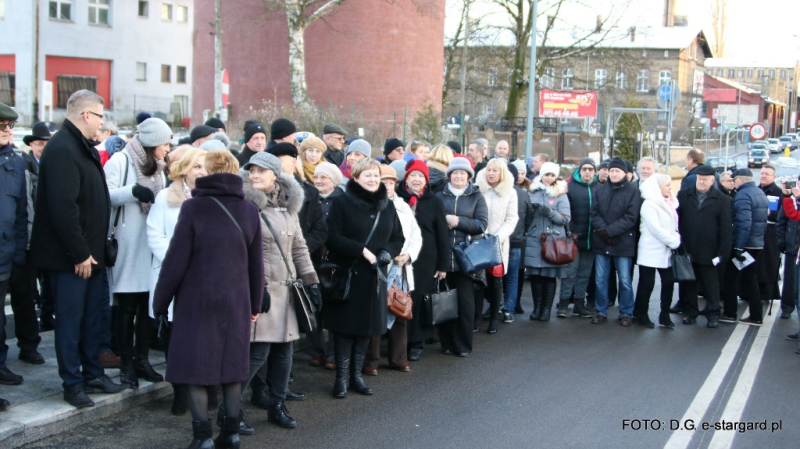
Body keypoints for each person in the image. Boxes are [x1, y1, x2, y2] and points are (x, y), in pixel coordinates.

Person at [153, 150, 264, 448]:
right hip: (237, 300)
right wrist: (255, 304)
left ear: (209, 172)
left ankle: (202, 437)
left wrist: (160, 303)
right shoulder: (249, 210)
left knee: (195, 368)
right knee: (232, 368)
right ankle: (231, 433)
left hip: (197, 301)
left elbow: (175, 262)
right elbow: (257, 265)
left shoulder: (194, 208)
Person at [30, 90, 125, 408]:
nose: (102, 122)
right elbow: (62, 208)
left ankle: (92, 373)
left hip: (91, 256)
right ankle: (72, 382)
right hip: (72, 258)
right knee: (70, 322)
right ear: (86, 115)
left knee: (91, 319)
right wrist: (80, 253)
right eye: (100, 116)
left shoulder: (79, 145)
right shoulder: (62, 148)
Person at [236, 152, 320, 430]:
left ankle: (277, 405)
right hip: (260, 292)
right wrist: (255, 288)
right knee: (257, 354)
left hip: (288, 292)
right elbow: (239, 253)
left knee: (285, 351)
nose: (255, 175)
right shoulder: (244, 205)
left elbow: (299, 247)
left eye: (261, 171)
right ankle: (231, 411)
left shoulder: (288, 205)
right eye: (252, 170)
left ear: (275, 174)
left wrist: (311, 281)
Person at [324, 158, 404, 398]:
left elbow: (397, 238)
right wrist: (361, 250)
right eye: (367, 175)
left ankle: (356, 376)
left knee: (365, 329)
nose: (372, 179)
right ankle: (340, 379)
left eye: (375, 175)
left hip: (374, 277)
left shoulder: (387, 205)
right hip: (349, 274)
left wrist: (386, 253)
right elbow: (332, 236)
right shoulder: (341, 203)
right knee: (344, 329)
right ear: (356, 178)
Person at [104, 118, 171, 389]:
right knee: (126, 307)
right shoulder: (120, 161)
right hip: (127, 245)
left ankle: (143, 360)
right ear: (153, 142)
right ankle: (127, 364)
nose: (168, 148)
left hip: (150, 245)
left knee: (147, 307)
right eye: (165, 142)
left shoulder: (158, 168)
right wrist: (132, 191)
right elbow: (104, 195)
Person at [147, 148, 208, 415]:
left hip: (202, 278)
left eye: (205, 167)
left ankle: (207, 388)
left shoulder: (212, 198)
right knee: (176, 340)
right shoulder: (165, 197)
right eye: (196, 167)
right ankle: (179, 392)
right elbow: (155, 235)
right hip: (172, 275)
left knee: (204, 338)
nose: (202, 172)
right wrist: (178, 262)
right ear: (184, 169)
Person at [364, 165, 422, 374]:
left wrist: (408, 254)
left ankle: (399, 358)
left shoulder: (403, 206)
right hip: (380, 266)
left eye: (391, 182)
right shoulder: (371, 205)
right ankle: (371, 360)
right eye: (384, 181)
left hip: (401, 267)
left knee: (400, 309)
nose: (388, 186)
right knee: (377, 312)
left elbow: (415, 235)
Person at [396, 160, 449, 361]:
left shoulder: (434, 201)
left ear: (426, 180)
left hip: (425, 259)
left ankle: (415, 343)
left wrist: (443, 265)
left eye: (421, 176)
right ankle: (397, 342)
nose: (416, 180)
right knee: (399, 298)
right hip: (399, 257)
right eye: (413, 175)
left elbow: (442, 234)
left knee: (417, 301)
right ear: (406, 177)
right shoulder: (396, 198)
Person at [436, 157, 488, 355]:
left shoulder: (476, 196)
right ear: (450, 175)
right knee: (444, 301)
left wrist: (457, 221)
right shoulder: (439, 195)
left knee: (465, 304)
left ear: (468, 176)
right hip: (442, 257)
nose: (458, 176)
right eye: (455, 172)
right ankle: (447, 343)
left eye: (462, 173)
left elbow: (482, 224)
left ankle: (463, 345)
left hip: (466, 259)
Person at [8, 121, 47, 366]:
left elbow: (30, 205)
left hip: (23, 239)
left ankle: (29, 345)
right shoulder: (21, 162)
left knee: (25, 296)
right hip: (10, 239)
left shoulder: (19, 162)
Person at [0, 103, 32, 395]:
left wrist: (20, 250)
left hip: (5, 253)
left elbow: (21, 210)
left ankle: (0, 364)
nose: (9, 131)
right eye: (3, 126)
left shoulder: (15, 161)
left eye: (10, 126)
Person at [677, 165, 731, 328]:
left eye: (705, 179)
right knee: (689, 284)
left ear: (712, 181)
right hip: (688, 250)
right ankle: (691, 312)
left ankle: (712, 314)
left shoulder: (722, 200)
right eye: (699, 179)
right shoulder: (684, 195)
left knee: (710, 286)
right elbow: (677, 221)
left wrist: (722, 253)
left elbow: (726, 229)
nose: (701, 182)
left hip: (710, 252)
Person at [590, 157, 641, 325]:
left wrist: (611, 231)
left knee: (625, 280)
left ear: (625, 173)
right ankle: (601, 311)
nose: (613, 174)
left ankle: (626, 312)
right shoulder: (600, 190)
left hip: (623, 242)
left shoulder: (633, 190)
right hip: (602, 241)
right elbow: (595, 213)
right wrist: (604, 232)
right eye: (611, 171)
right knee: (600, 279)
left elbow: (631, 217)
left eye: (617, 171)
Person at [474, 159, 518, 333]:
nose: (491, 173)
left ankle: (494, 317)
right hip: (478, 242)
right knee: (478, 281)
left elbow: (512, 219)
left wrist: (496, 237)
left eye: (495, 171)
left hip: (497, 243)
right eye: (489, 170)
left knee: (496, 281)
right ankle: (476, 317)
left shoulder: (510, 193)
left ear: (502, 173)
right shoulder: (478, 190)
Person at [632, 174, 681, 328]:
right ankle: (641, 313)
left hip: (666, 250)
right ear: (658, 188)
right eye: (667, 185)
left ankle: (664, 315)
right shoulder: (649, 204)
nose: (670, 188)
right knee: (647, 283)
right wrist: (674, 241)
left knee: (668, 282)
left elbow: (672, 226)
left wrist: (674, 238)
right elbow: (655, 229)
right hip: (651, 250)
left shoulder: (668, 204)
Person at [720, 168, 768, 326]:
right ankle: (756, 315)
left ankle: (730, 313)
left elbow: (744, 224)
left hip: (745, 245)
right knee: (750, 278)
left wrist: (738, 247)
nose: (733, 183)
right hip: (756, 244)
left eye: (734, 180)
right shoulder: (759, 192)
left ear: (741, 179)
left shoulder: (743, 195)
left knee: (730, 278)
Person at [524, 162, 571, 322]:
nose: (549, 178)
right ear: (541, 175)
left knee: (549, 277)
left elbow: (565, 218)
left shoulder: (561, 194)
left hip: (553, 240)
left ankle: (546, 310)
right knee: (536, 276)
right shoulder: (531, 191)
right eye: (546, 175)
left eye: (552, 175)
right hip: (534, 238)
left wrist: (550, 212)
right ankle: (537, 308)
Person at [557, 157, 596, 318]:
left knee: (584, 274)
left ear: (595, 171)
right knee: (569, 273)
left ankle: (579, 303)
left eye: (590, 169)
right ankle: (564, 303)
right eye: (584, 169)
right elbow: (564, 211)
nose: (587, 172)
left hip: (591, 240)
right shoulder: (570, 187)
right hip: (573, 238)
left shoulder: (599, 188)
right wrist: (569, 231)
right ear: (579, 171)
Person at [501, 163, 531, 322]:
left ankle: (497, 307)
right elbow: (528, 219)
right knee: (512, 277)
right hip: (517, 240)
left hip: (500, 241)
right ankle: (508, 310)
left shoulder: (497, 192)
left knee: (497, 277)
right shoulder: (523, 195)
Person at [756, 165, 783, 306]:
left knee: (768, 263)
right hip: (755, 231)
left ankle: (767, 292)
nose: (763, 176)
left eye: (767, 174)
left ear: (774, 177)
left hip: (771, 233)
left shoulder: (778, 193)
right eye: (762, 173)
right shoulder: (755, 190)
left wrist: (770, 213)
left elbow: (781, 215)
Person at [776, 201, 799, 319]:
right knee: (790, 281)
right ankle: (787, 307)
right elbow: (781, 221)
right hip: (792, 247)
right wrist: (781, 239)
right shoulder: (792, 200)